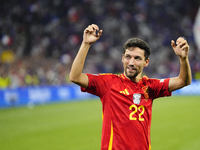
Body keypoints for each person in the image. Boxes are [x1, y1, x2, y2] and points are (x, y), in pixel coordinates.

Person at [69, 24, 192, 150]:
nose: (131, 63)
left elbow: (183, 80)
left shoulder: (150, 86)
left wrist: (183, 59)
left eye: (137, 58)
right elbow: (75, 77)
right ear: (123, 58)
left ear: (146, 62)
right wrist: (86, 44)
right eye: (128, 57)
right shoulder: (108, 83)